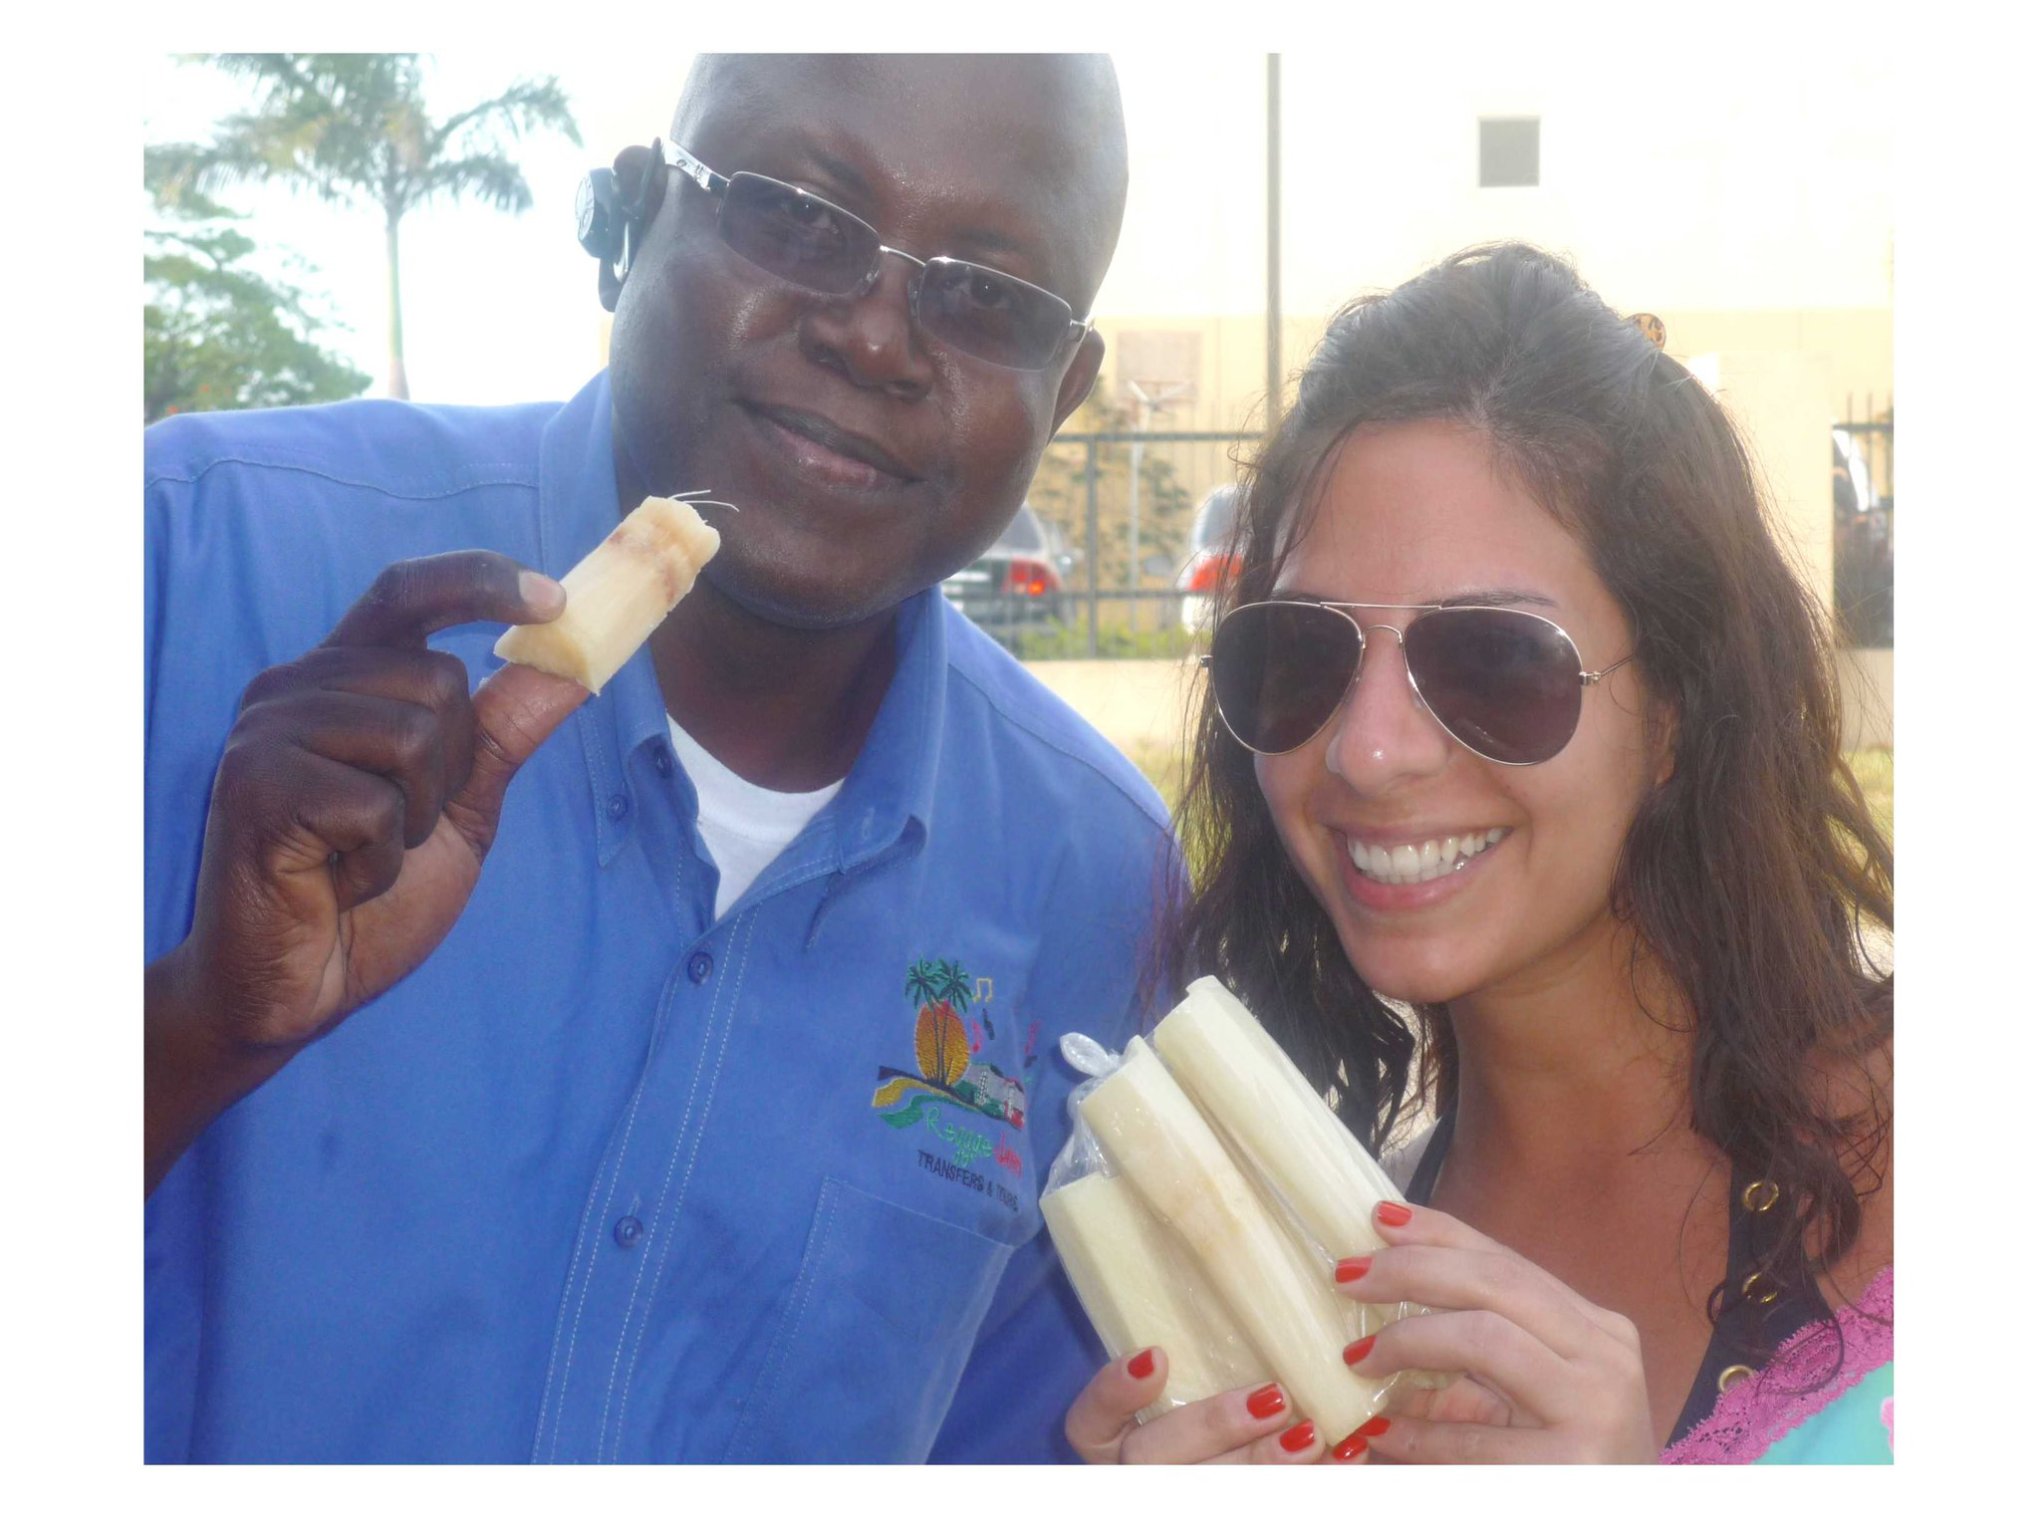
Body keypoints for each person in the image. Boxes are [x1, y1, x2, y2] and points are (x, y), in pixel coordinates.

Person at [144, 54, 1176, 1464]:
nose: (878, 338)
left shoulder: (1098, 881)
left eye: (987, 293)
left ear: (1065, 389)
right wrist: (199, 1021)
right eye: (799, 214)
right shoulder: (187, 564)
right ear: (629, 216)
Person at [1063, 244, 1893, 1465]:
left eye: (1494, 661)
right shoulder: (1332, 1284)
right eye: (1299, 654)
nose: (1369, 751)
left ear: (1673, 713)